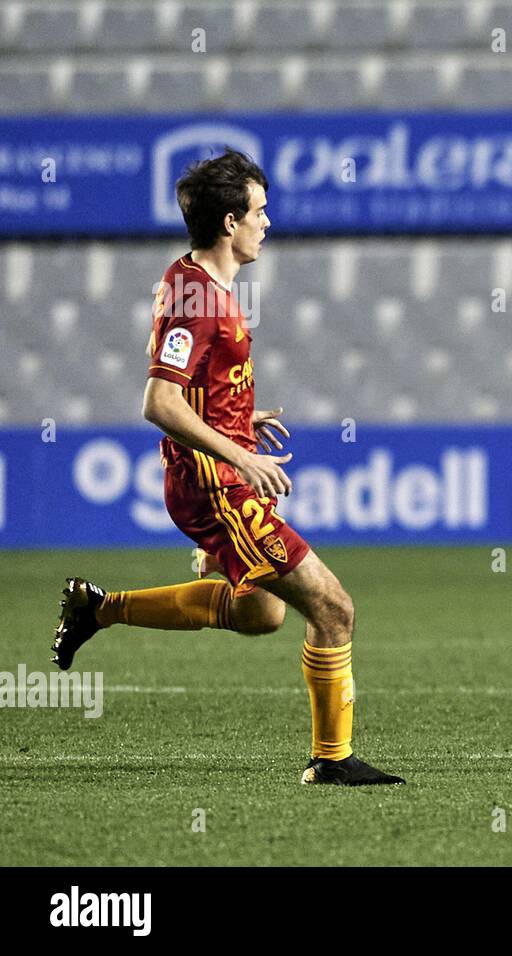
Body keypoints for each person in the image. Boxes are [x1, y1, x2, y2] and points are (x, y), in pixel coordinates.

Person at [52, 148, 403, 786]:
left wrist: (239, 416)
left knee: (260, 613)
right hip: (216, 485)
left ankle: (97, 609)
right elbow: (158, 400)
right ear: (228, 224)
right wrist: (239, 451)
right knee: (334, 608)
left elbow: (198, 383)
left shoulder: (197, 280)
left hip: (218, 470)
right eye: (260, 211)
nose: (267, 222)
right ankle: (332, 760)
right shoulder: (196, 298)